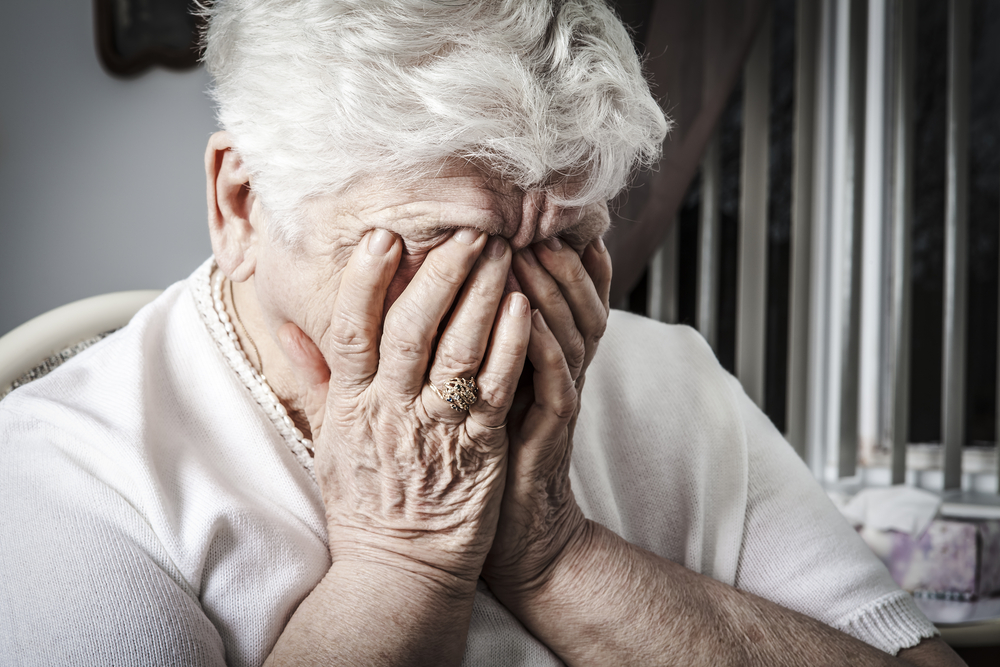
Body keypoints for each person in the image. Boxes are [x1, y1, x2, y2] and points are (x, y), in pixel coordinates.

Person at [0, 1, 967, 665]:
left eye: (564, 244)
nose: (511, 314)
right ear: (242, 206)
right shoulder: (64, 469)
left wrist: (559, 552)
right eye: (448, 248)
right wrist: (402, 557)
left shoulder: (674, 379)